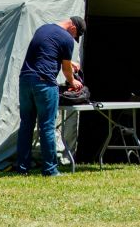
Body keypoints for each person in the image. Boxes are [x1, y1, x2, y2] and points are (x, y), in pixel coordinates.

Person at [14, 16, 86, 176]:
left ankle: (22, 168)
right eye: (76, 35)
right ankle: (50, 169)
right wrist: (73, 82)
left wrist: (69, 63)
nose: (74, 39)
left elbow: (45, 54)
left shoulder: (43, 29)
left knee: (26, 125)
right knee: (46, 126)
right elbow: (67, 71)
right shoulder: (66, 38)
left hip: (25, 81)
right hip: (44, 83)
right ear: (73, 27)